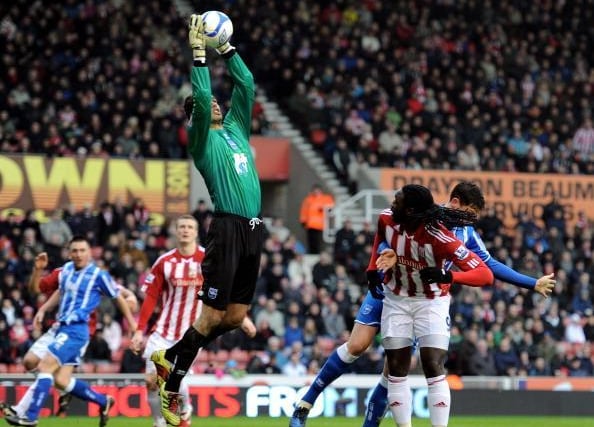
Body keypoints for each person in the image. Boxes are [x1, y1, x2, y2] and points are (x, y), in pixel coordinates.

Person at [289, 181, 555, 427]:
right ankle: (305, 404)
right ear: (455, 202)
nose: (474, 218)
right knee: (357, 345)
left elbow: (489, 266)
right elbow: (387, 234)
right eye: (472, 211)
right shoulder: (416, 213)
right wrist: (383, 255)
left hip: (423, 298)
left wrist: (531, 283)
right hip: (389, 287)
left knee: (393, 370)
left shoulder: (465, 234)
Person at [151, 14, 264, 427]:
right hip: (228, 227)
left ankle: (172, 353)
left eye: (216, 102)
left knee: (233, 318)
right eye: (206, 105)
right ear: (193, 118)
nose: (214, 102)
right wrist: (198, 53)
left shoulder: (236, 129)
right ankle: (172, 387)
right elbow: (200, 96)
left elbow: (247, 84)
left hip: (254, 229)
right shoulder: (203, 139)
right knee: (211, 317)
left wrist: (226, 50)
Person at [4, 237, 138, 427]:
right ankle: (102, 401)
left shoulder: (98, 275)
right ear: (69, 253)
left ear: (90, 252)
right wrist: (43, 306)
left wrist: (134, 327)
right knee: (52, 374)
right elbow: (51, 291)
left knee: (45, 368)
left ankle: (29, 415)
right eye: (74, 250)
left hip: (77, 330)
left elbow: (118, 296)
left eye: (82, 250)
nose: (78, 254)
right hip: (60, 327)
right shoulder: (65, 270)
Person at [299, 183, 335, 254]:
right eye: (315, 191)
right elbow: (304, 210)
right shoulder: (309, 199)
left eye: (318, 191)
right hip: (310, 224)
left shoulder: (326, 198)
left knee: (318, 241)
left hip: (320, 224)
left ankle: (318, 253)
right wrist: (303, 220)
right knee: (311, 241)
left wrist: (324, 209)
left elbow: (331, 206)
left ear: (321, 191)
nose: (316, 192)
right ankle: (312, 253)